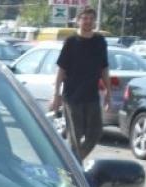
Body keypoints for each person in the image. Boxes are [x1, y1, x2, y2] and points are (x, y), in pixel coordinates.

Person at [49, 7, 112, 159]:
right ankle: (74, 167)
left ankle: (74, 162)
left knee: (95, 133)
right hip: (72, 97)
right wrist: (56, 95)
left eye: (91, 18)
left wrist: (109, 92)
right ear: (78, 21)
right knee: (75, 136)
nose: (88, 21)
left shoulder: (100, 41)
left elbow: (104, 68)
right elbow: (61, 70)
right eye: (85, 18)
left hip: (91, 96)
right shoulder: (71, 42)